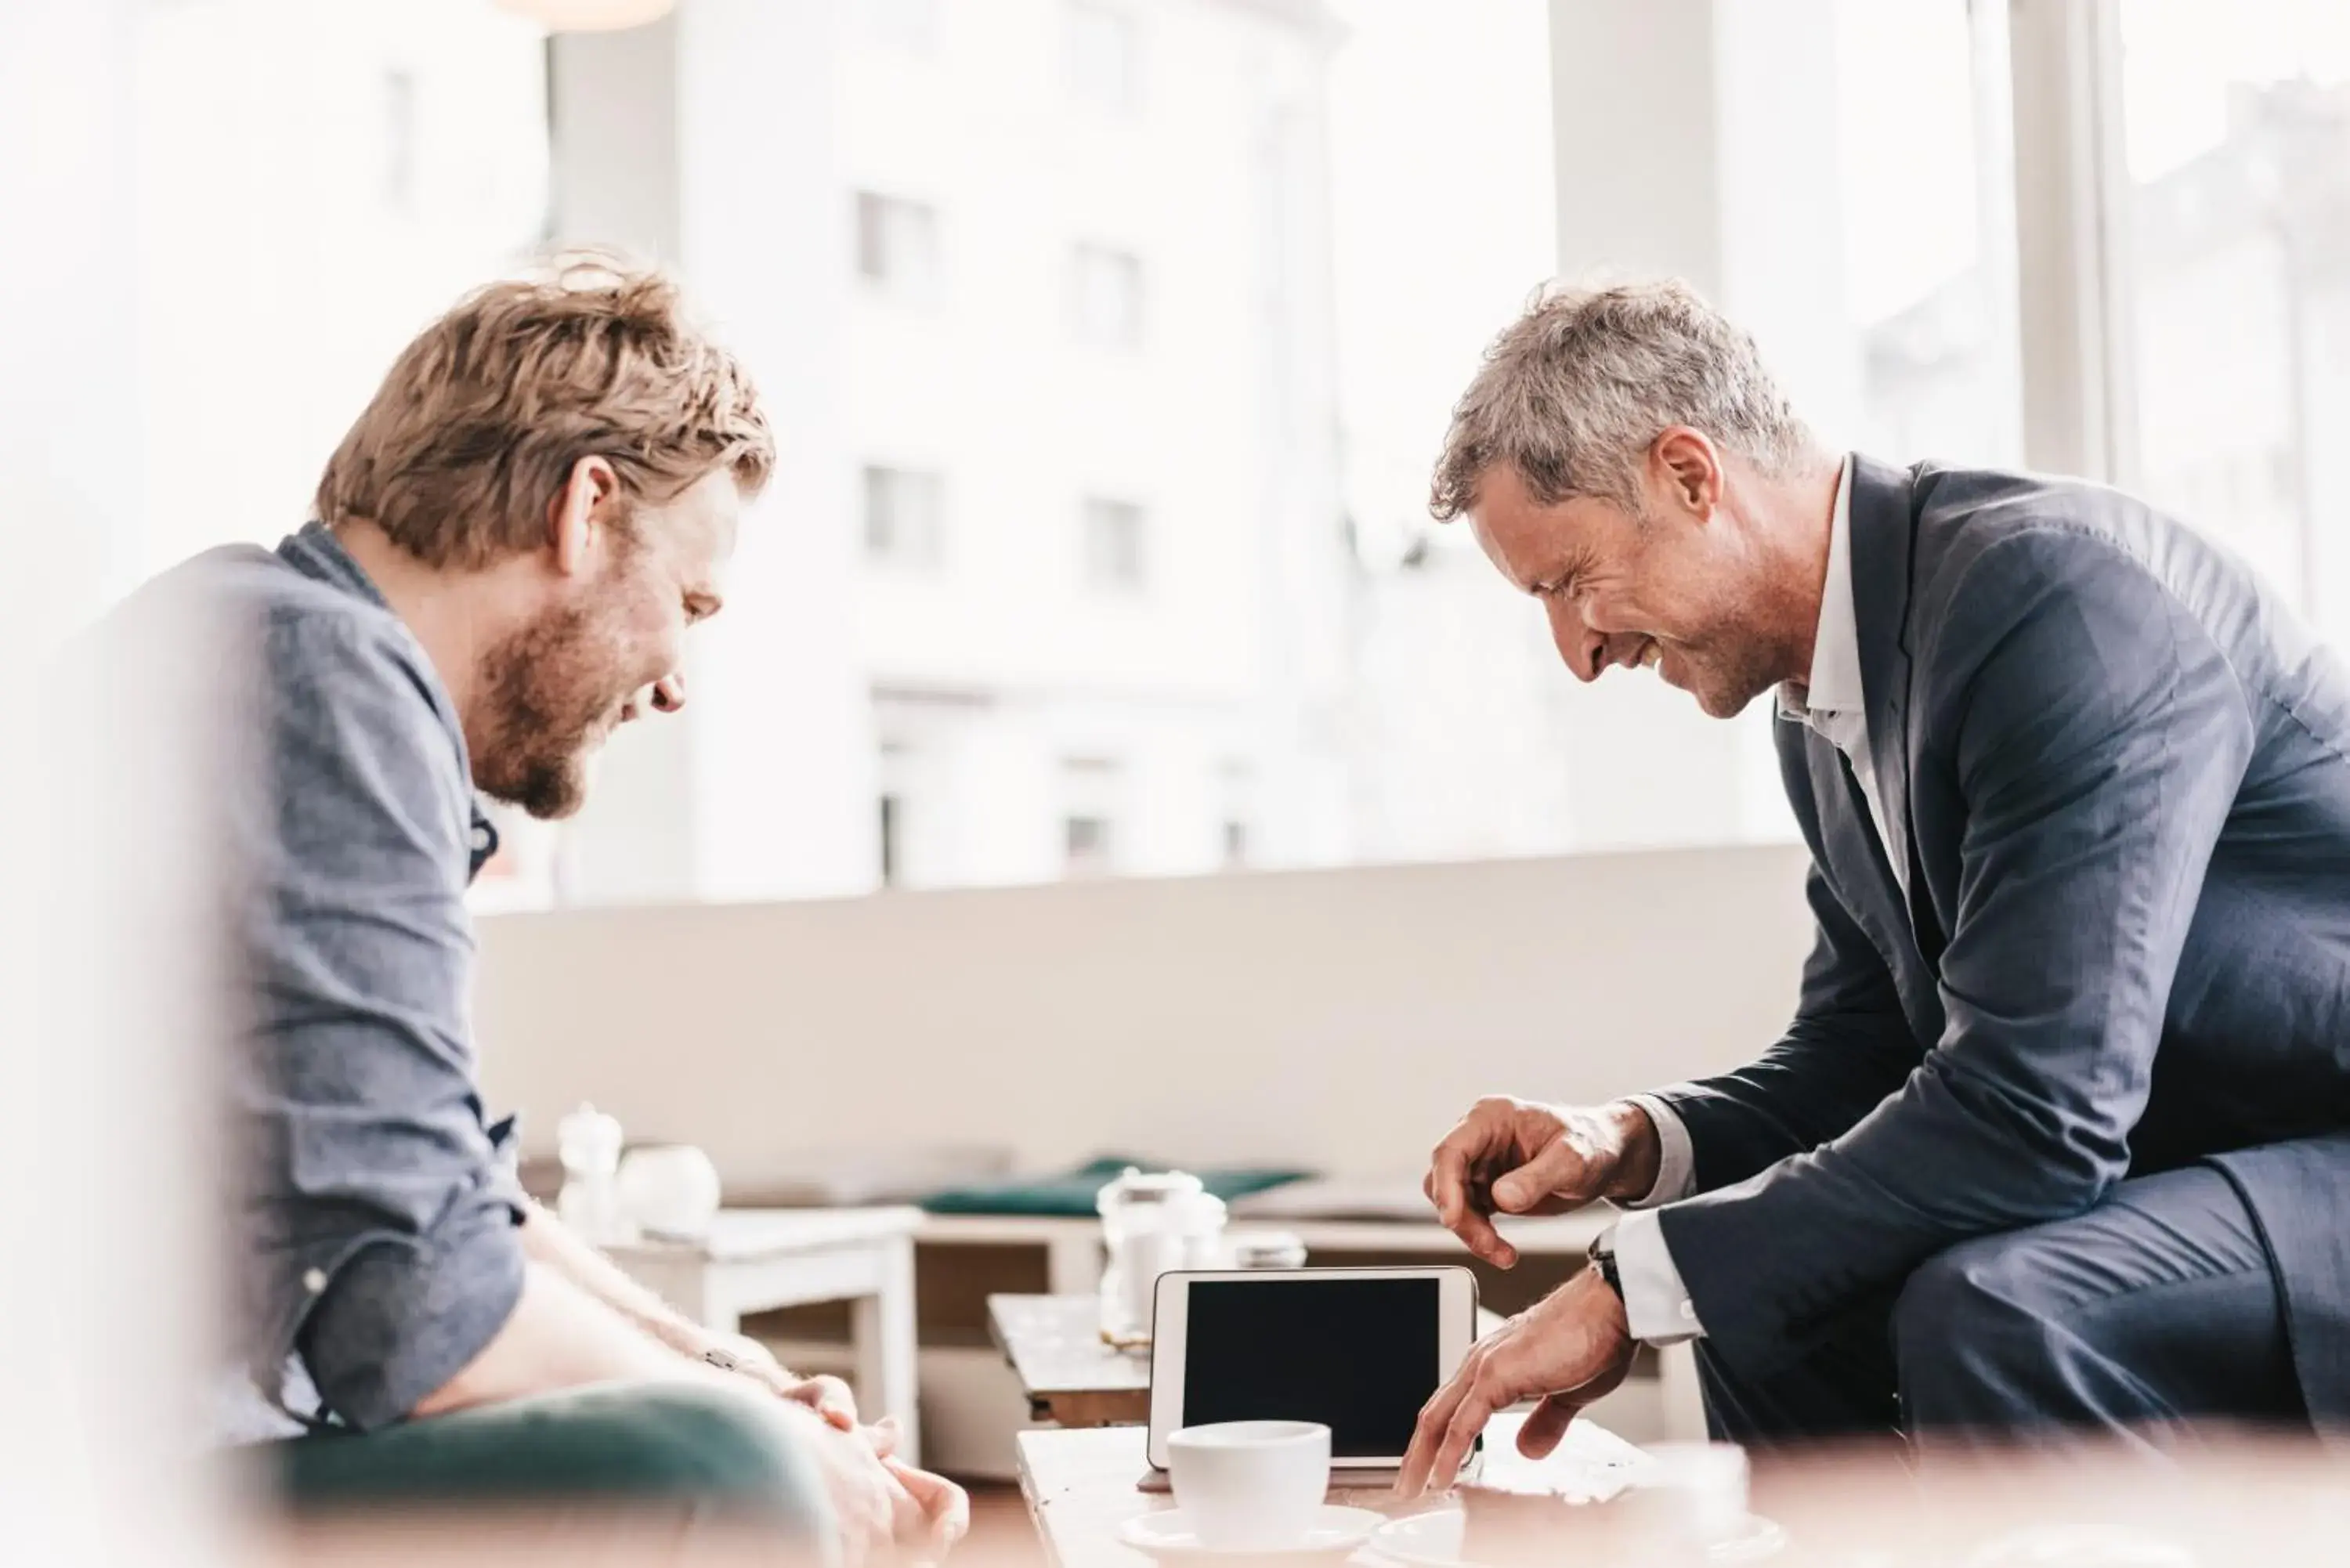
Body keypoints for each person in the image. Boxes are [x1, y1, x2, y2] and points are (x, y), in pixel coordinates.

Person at [1396, 279, 2350, 1490]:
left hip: (2317, 1157)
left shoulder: (2053, 600)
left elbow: (2034, 1115)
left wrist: (1632, 1285)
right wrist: (1627, 1140)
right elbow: (1863, 1052)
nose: (1578, 654)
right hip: (2166, 1175)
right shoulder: (1820, 709)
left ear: (1691, 475)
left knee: (1997, 1308)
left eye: (1571, 581)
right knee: (1760, 1301)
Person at [121, 254, 966, 1561]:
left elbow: (452, 1203)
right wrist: (763, 1441)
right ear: (586, 509)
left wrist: (720, 1363)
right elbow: (405, 1306)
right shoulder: (322, 671)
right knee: (729, 1476)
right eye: (690, 603)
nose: (680, 681)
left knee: (732, 1425)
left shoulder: (278, 647)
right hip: (126, 1463)